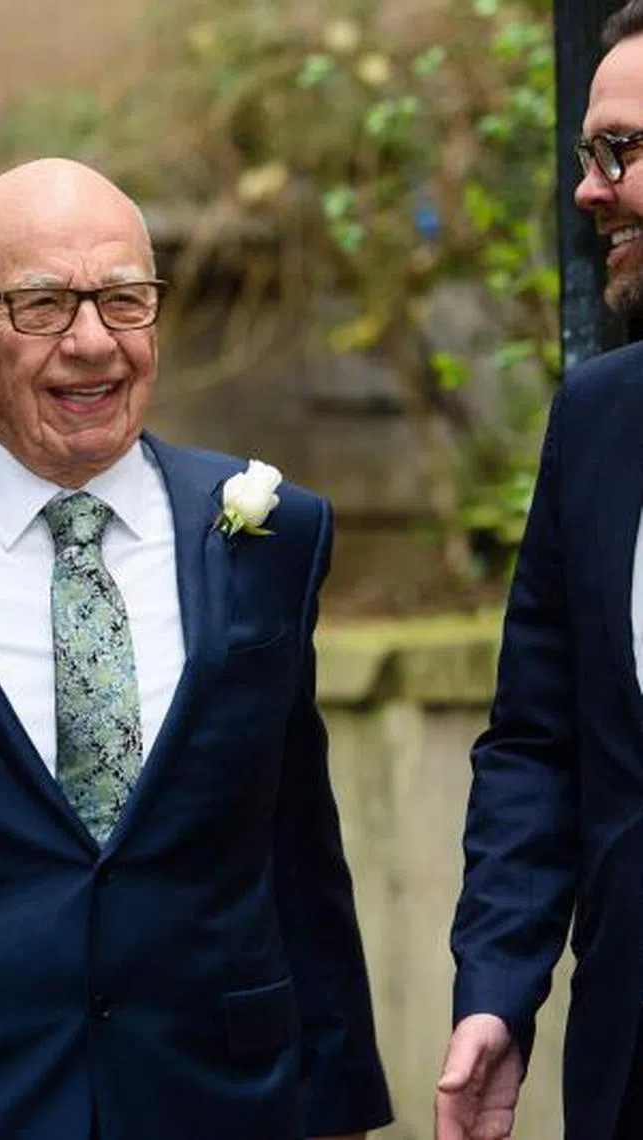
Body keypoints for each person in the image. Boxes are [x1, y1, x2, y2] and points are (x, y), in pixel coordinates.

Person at [0, 156, 391, 1140]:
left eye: (125, 300)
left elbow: (297, 849)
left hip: (215, 1104)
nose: (93, 343)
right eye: (44, 305)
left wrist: (338, 1102)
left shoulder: (273, 535)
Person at [436, 4, 643, 1138]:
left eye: (624, 150)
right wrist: (498, 992)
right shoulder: (598, 419)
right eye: (586, 155)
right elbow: (539, 741)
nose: (590, 189)